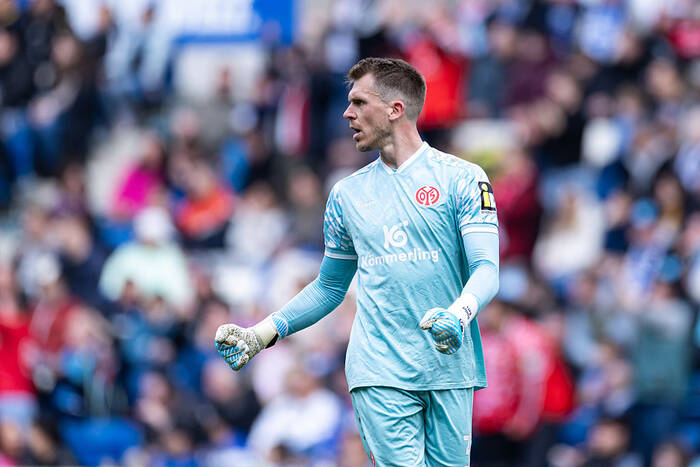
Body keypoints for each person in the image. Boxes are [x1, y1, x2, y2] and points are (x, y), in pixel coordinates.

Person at [215, 57, 500, 466]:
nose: (347, 113)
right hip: (378, 367)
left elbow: (486, 268)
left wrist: (459, 314)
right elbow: (330, 286)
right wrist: (261, 334)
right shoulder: (346, 195)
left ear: (395, 109)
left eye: (359, 102)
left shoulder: (464, 178)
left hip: (448, 364)